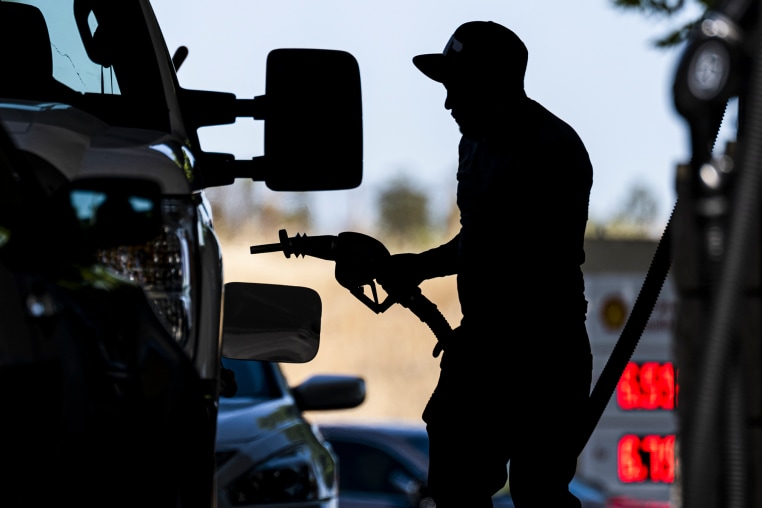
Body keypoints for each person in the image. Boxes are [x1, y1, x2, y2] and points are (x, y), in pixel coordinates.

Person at [376, 21, 594, 507]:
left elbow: (510, 249)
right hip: (482, 348)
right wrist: (415, 267)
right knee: (454, 486)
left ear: (494, 84)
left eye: (458, 88)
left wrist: (421, 268)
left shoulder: (551, 150)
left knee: (539, 493)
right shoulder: (473, 144)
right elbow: (479, 240)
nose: (449, 103)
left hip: (543, 353)